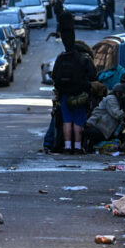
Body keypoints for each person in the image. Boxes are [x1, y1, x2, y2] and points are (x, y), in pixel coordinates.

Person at [51, 20, 98, 154]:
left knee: (67, 121)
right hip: (81, 94)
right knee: (78, 121)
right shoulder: (84, 59)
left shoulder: (61, 58)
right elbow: (93, 76)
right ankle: (77, 147)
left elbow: (54, 76)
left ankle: (67, 146)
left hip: (65, 95)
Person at [83, 84, 125, 151]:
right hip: (98, 126)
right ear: (118, 93)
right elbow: (116, 114)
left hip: (105, 127)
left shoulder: (118, 100)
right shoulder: (111, 99)